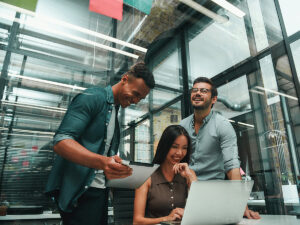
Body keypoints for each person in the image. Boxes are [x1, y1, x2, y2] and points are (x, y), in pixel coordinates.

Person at [45, 62, 155, 225]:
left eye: (141, 98)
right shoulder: (93, 98)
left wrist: (115, 165)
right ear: (125, 79)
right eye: (135, 93)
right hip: (80, 193)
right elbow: (61, 141)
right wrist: (104, 162)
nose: (136, 100)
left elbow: (102, 156)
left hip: (99, 191)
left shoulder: (114, 114)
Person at [180, 77, 260, 219]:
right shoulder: (182, 126)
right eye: (195, 90)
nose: (198, 93)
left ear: (213, 99)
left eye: (204, 91)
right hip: (185, 192)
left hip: (213, 194)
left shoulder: (222, 125)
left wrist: (241, 205)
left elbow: (232, 167)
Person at [133, 125, 197, 225]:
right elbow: (137, 221)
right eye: (174, 147)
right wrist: (167, 218)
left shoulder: (189, 174)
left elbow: (201, 210)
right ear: (165, 146)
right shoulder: (147, 177)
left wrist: (191, 177)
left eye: (184, 148)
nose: (179, 153)